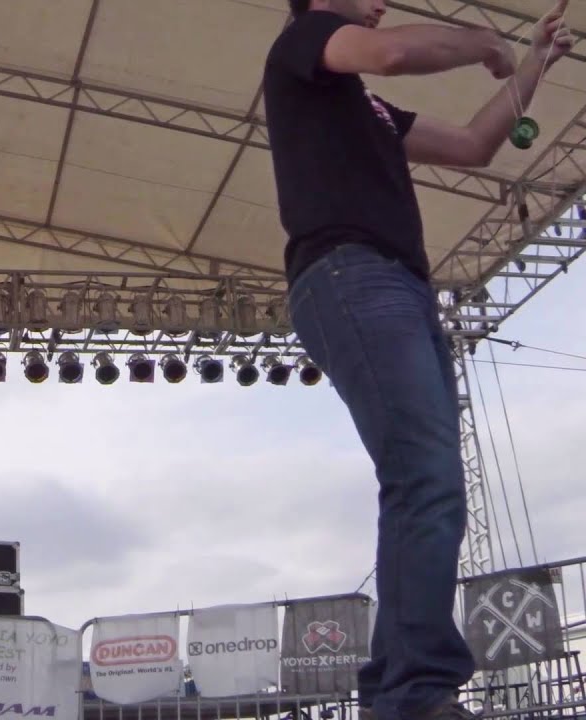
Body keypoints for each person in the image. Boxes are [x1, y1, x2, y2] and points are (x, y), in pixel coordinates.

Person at [261, 1, 574, 720]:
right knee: (424, 479)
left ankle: (404, 685)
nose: (380, 3)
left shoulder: (363, 107)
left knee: (431, 483)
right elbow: (393, 52)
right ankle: (413, 690)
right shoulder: (304, 40)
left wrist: (534, 62)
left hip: (397, 283)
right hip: (351, 272)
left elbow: (472, 145)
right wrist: (484, 42)